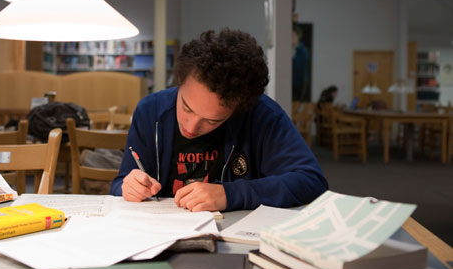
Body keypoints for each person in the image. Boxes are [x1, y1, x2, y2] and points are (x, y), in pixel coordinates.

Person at [110, 28, 328, 212]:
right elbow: (119, 184)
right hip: (158, 234)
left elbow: (311, 181)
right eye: (186, 107)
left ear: (239, 108)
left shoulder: (263, 115)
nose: (191, 127)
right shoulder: (150, 111)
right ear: (178, 82)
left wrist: (229, 194)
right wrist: (126, 187)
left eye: (212, 121)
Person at [292, 24, 310, 102]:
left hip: (298, 86)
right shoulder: (288, 49)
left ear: (298, 36)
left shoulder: (303, 51)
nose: (291, 38)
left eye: (293, 35)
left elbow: (304, 72)